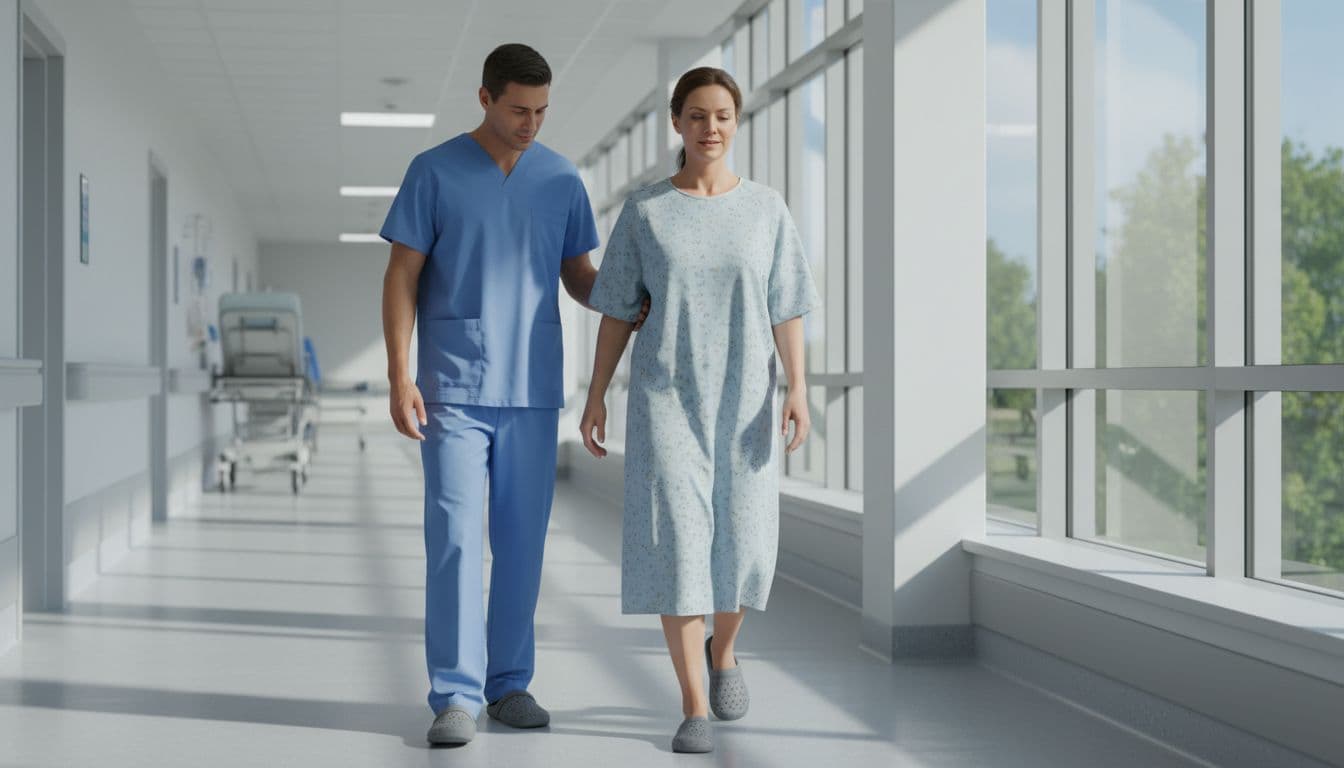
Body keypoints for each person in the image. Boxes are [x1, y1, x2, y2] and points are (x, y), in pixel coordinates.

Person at [380, 42, 646, 747]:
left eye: (542, 111)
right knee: (456, 541)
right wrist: (399, 374)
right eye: (519, 110)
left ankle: (510, 686)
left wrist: (627, 296)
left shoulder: (560, 179)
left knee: (523, 545)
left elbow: (578, 276)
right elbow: (402, 275)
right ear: (486, 99)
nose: (532, 123)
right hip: (453, 388)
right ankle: (455, 695)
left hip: (531, 386)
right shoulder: (433, 172)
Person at [580, 66, 819, 754]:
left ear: (735, 123)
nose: (709, 127)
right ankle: (692, 706)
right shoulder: (647, 211)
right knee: (676, 548)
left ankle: (724, 653)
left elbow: (789, 305)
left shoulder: (767, 210)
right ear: (677, 125)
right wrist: (597, 393)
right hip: (665, 400)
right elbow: (618, 311)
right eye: (695, 116)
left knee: (743, 547)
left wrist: (797, 386)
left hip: (746, 401)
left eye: (721, 115)